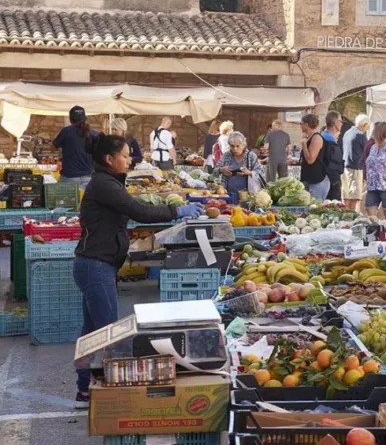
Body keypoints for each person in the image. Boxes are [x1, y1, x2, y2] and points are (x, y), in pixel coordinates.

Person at [73, 133, 202, 408]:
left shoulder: (107, 181)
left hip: (96, 264)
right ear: (109, 159)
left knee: (92, 333)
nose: (129, 158)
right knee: (108, 334)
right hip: (95, 266)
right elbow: (138, 210)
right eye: (124, 155)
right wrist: (176, 211)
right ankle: (103, 392)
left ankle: (84, 390)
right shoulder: (104, 184)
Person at [216, 132, 264, 203]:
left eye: (238, 146)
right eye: (232, 146)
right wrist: (221, 170)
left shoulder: (251, 156)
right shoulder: (226, 156)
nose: (235, 149)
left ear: (243, 145)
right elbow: (215, 170)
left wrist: (250, 173)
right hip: (228, 195)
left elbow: (261, 172)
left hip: (247, 195)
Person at [54, 106, 94, 189]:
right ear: (85, 118)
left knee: (65, 200)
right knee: (85, 201)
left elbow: (53, 148)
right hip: (88, 177)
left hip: (69, 177)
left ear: (70, 119)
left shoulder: (66, 131)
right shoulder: (93, 133)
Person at [300, 114, 330, 201]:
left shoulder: (316, 138)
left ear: (306, 124)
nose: (300, 126)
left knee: (315, 208)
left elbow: (310, 160)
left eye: (301, 123)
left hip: (317, 181)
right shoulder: (308, 138)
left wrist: (304, 146)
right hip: (309, 180)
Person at [342, 114, 369, 210]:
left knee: (346, 197)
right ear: (364, 125)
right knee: (354, 198)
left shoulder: (347, 132)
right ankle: (351, 218)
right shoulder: (360, 135)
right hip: (355, 169)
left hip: (345, 168)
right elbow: (367, 153)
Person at [323, 111, 344, 201]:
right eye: (341, 121)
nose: (342, 124)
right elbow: (333, 163)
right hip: (331, 181)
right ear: (336, 122)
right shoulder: (328, 141)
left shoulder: (323, 136)